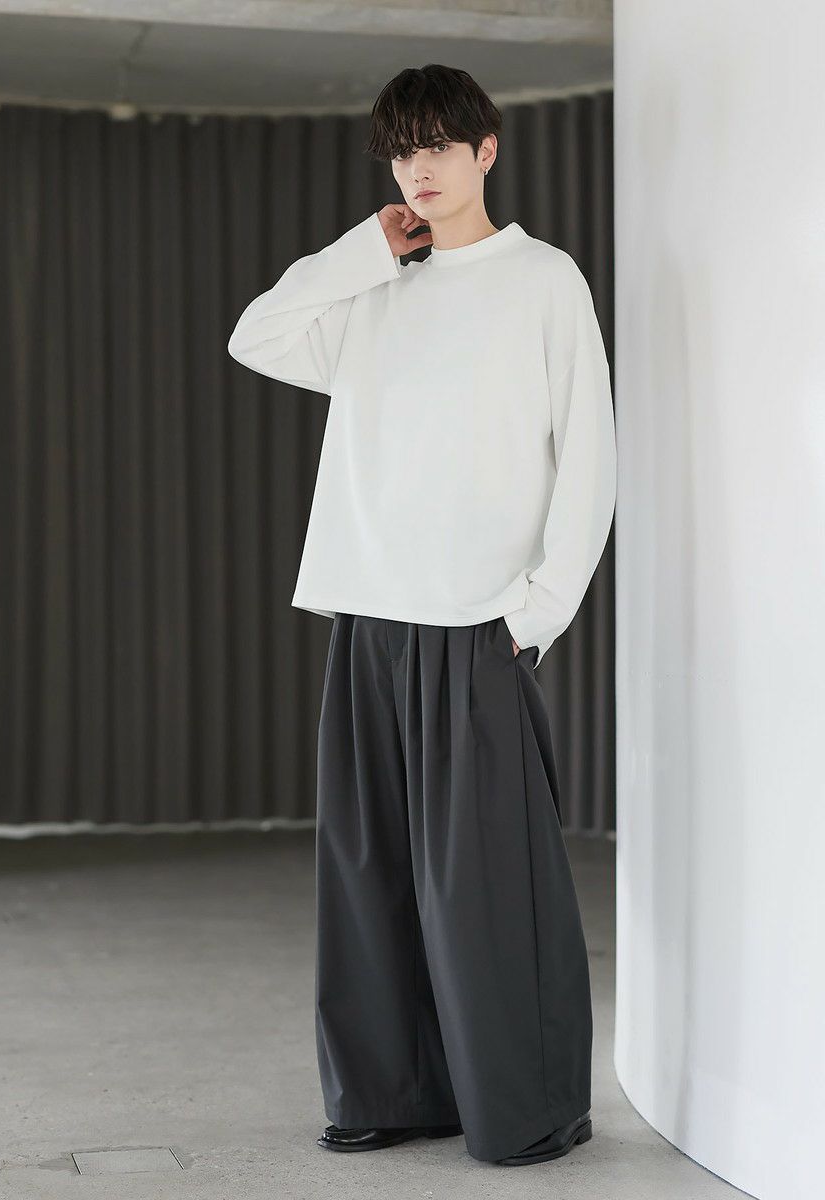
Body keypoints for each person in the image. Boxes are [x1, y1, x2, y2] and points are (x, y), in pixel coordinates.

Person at [227, 63, 617, 1167]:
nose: (421, 168)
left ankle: (527, 1106)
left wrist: (537, 613)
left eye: (441, 145)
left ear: (486, 150)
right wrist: (365, 249)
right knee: (369, 876)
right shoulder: (371, 292)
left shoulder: (544, 280)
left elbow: (589, 456)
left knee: (487, 887)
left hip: (477, 623)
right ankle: (391, 1095)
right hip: (367, 615)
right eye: (404, 150)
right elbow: (256, 335)